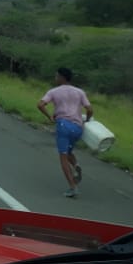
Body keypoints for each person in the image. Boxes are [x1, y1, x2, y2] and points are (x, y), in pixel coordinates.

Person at [37, 67, 92, 198]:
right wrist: (87, 121)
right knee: (68, 151)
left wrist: (50, 116)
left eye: (57, 76)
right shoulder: (79, 92)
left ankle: (73, 187)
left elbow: (40, 104)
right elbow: (90, 109)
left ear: (62, 77)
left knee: (62, 156)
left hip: (63, 125)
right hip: (77, 127)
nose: (55, 78)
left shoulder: (54, 91)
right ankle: (76, 165)